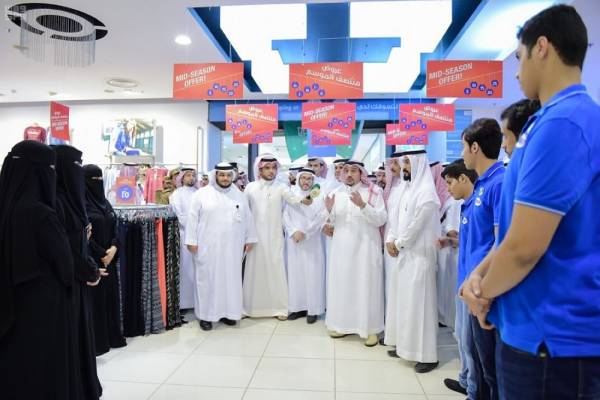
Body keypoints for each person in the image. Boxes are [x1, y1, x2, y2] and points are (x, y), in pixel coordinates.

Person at [462, 5, 600, 399]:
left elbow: (525, 247)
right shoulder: (547, 121)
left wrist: (483, 294)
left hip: (552, 338)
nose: (516, 71)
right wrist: (479, 274)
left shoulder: (564, 123)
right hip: (532, 329)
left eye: (519, 56)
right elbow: (515, 231)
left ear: (542, 47)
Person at [0, 141, 76, 399]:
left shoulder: (6, 208)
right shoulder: (42, 214)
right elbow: (65, 266)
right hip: (43, 306)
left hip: (8, 304)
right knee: (42, 370)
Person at [459, 118, 505, 399]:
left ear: (475, 147)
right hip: (472, 288)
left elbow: (502, 242)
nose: (462, 153)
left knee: (491, 370)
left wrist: (478, 281)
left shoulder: (499, 183)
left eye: (464, 146)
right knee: (478, 361)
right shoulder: (482, 184)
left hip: (485, 290)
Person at [54, 144, 103, 400]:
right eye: (75, 166)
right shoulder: (57, 202)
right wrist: (90, 270)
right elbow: (65, 248)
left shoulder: (71, 199)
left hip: (77, 281)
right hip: (66, 284)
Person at [385, 150, 441, 373]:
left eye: (407, 162)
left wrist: (398, 243)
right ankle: (405, 346)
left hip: (420, 256)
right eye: (403, 162)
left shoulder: (427, 193)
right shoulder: (406, 189)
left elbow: (416, 225)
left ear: (419, 164)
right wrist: (391, 239)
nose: (404, 167)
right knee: (405, 303)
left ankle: (427, 355)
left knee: (420, 305)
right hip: (404, 254)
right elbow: (395, 220)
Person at [185, 163, 257, 330]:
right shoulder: (202, 194)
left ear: (232, 176)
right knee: (207, 281)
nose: (225, 178)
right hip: (207, 247)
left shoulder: (239, 195)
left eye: (228, 175)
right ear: (215, 175)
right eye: (222, 175)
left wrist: (250, 238)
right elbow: (192, 218)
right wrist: (191, 240)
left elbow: (248, 217)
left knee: (230, 281)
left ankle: (228, 313)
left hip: (232, 248)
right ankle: (206, 316)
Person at [325, 160, 386, 347]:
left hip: (366, 248)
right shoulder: (335, 193)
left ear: (361, 173)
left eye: (353, 171)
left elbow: (381, 219)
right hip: (341, 248)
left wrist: (363, 205)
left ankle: (370, 329)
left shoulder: (374, 192)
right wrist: (329, 212)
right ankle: (341, 325)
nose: (349, 174)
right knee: (343, 285)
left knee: (366, 285)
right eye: (346, 171)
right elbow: (332, 222)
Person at [243, 154, 312, 319]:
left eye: (274, 168)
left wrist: (307, 199)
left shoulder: (282, 187)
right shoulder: (250, 187)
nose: (271, 171)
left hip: (275, 236)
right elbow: (245, 213)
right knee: (254, 271)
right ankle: (250, 308)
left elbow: (295, 199)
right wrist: (245, 236)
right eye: (267, 168)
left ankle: (279, 308)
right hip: (255, 237)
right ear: (260, 170)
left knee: (275, 269)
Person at [439, 160, 480, 398]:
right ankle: (466, 380)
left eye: (450, 183)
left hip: (473, 282)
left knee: (470, 340)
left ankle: (473, 389)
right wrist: (451, 241)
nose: (448, 189)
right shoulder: (466, 205)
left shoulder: (478, 204)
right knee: (462, 336)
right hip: (463, 278)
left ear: (463, 179)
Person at [83, 164, 126, 356]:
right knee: (96, 302)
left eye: (100, 178)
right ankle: (98, 343)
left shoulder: (106, 203)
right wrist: (101, 253)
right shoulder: (81, 204)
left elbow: (116, 226)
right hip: (93, 261)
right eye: (94, 179)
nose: (98, 182)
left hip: (110, 259)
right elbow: (84, 235)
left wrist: (114, 248)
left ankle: (113, 336)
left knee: (110, 299)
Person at [283, 168, 328, 323]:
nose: (306, 181)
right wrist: (293, 231)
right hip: (293, 241)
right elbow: (285, 216)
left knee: (313, 275)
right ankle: (297, 308)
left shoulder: (319, 195)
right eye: (303, 178)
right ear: (298, 179)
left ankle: (313, 310)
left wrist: (306, 233)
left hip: (312, 241)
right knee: (295, 274)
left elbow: (321, 216)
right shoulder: (291, 194)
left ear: (313, 180)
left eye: (309, 179)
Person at [381, 152, 407, 346]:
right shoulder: (396, 187)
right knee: (392, 289)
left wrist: (397, 241)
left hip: (401, 245)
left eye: (397, 164)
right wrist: (390, 239)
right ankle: (393, 334)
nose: (393, 168)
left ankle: (402, 337)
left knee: (401, 292)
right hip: (390, 242)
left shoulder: (409, 187)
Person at [430, 161, 458, 329]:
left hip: (452, 251)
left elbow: (453, 230)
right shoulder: (448, 200)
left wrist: (448, 237)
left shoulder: (455, 201)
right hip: (445, 248)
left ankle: (449, 319)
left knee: (450, 287)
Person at [170, 168, 199, 311]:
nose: (191, 178)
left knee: (198, 269)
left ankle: (197, 301)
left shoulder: (199, 193)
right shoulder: (177, 194)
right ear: (182, 178)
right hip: (184, 236)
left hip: (200, 236)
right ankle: (184, 303)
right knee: (186, 269)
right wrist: (194, 227)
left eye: (193, 175)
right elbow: (179, 215)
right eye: (188, 175)